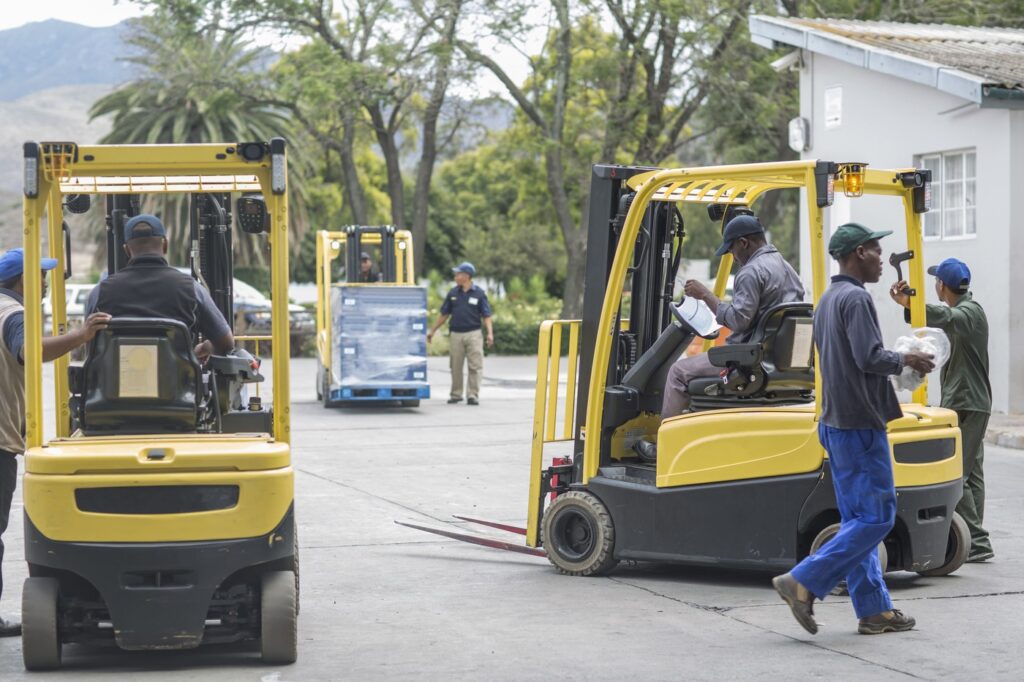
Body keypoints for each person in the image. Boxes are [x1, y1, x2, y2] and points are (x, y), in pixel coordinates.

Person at [772, 223, 935, 636]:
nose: (883, 259)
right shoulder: (857, 298)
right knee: (877, 519)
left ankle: (873, 609)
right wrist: (908, 360)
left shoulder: (827, 299)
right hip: (860, 424)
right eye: (877, 251)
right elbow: (868, 357)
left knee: (856, 522)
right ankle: (804, 580)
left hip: (835, 422)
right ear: (859, 253)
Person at [0, 248, 111, 637]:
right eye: (41, 277)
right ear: (22, 282)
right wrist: (81, 336)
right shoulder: (13, 314)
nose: (46, 283)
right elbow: (28, 351)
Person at [890, 258, 993, 562]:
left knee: (957, 471)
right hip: (969, 401)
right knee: (971, 472)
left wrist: (910, 302)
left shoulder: (970, 313)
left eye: (935, 281)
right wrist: (911, 304)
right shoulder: (965, 312)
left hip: (966, 401)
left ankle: (977, 541)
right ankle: (973, 537)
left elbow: (946, 317)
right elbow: (941, 320)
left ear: (942, 285)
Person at [661, 214, 804, 418]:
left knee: (677, 372)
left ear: (743, 243)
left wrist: (705, 295)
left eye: (732, 251)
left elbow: (738, 320)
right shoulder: (786, 267)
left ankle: (663, 445)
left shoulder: (750, 272)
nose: (734, 257)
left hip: (747, 360)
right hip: (778, 360)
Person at [86, 214, 234, 360]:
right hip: (178, 383)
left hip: (115, 382)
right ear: (165, 245)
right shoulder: (191, 289)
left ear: (126, 250)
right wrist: (202, 348)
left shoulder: (100, 292)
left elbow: (91, 346)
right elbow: (226, 343)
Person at [426, 262, 493, 405]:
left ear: (466, 276)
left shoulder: (479, 294)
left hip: (474, 334)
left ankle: (472, 395)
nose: (455, 276)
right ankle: (456, 394)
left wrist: (490, 334)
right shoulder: (453, 293)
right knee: (455, 366)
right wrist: (432, 331)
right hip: (456, 334)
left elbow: (486, 315)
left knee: (475, 366)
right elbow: (444, 314)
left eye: (458, 274)